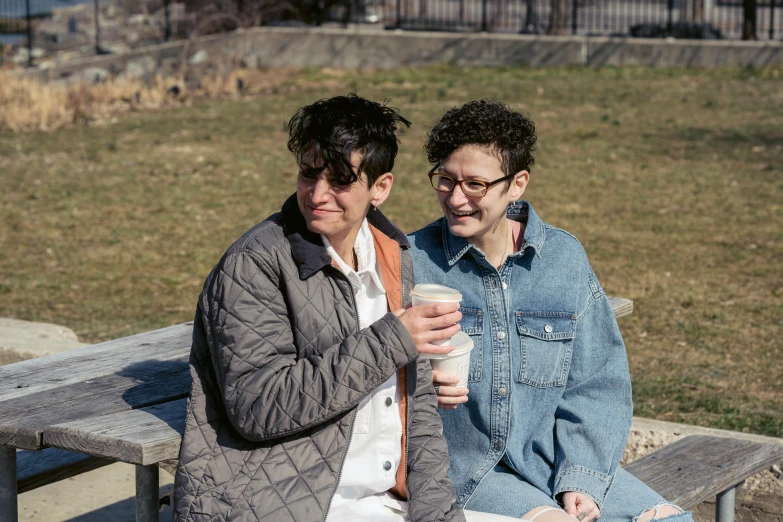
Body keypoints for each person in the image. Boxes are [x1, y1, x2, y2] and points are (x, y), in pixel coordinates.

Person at [173, 94, 522, 522]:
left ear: (380, 188)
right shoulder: (255, 264)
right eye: (309, 173)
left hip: (387, 501)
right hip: (290, 501)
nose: (318, 194)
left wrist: (438, 515)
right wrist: (393, 339)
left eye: (340, 180)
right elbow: (258, 407)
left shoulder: (391, 253)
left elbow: (420, 413)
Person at [408, 100, 694, 522]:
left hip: (550, 458)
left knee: (671, 519)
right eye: (445, 180)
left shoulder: (563, 258)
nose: (455, 197)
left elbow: (597, 382)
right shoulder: (412, 261)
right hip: (464, 469)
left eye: (475, 185)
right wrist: (419, 376)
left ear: (517, 184)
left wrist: (582, 476)